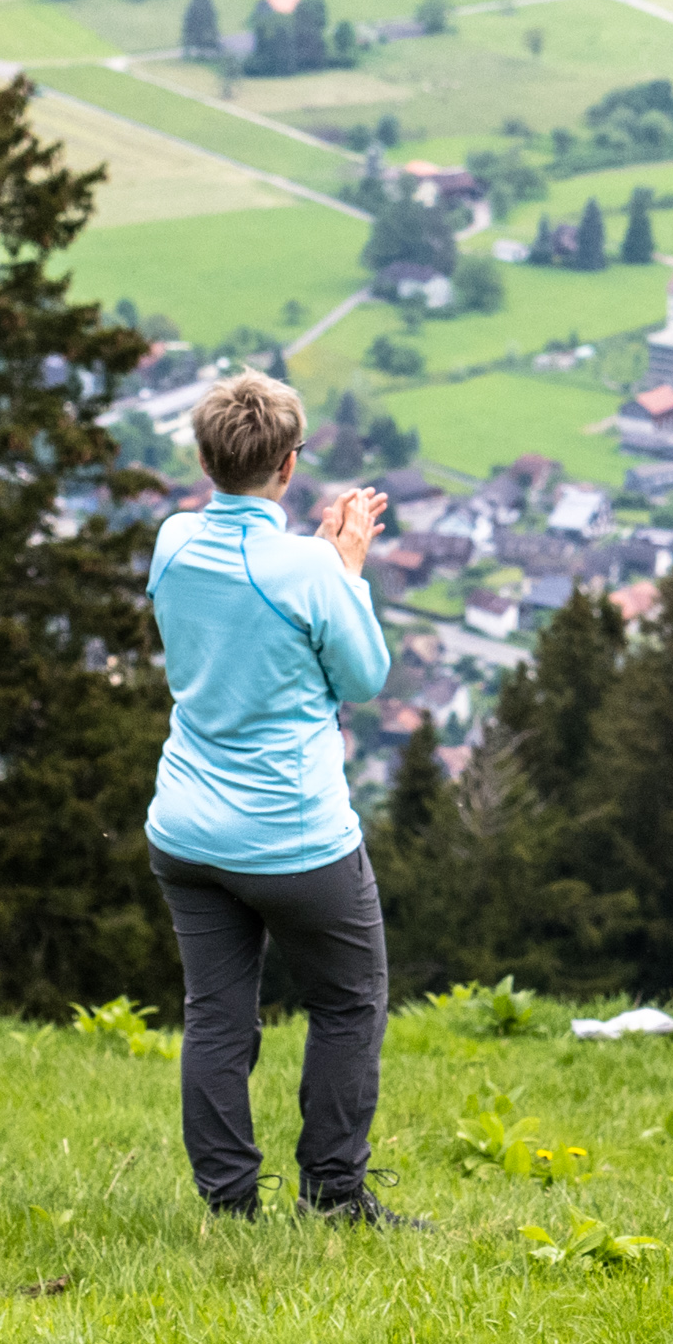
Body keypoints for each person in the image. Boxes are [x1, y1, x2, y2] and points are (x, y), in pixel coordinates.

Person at [145, 372, 413, 1226]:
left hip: (186, 828)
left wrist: (322, 566)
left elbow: (230, 618)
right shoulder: (309, 570)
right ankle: (332, 1197)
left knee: (217, 1018)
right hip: (294, 838)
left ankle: (228, 1206)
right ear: (290, 466)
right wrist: (346, 568)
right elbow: (364, 678)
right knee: (349, 1002)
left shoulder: (173, 540)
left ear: (204, 460)